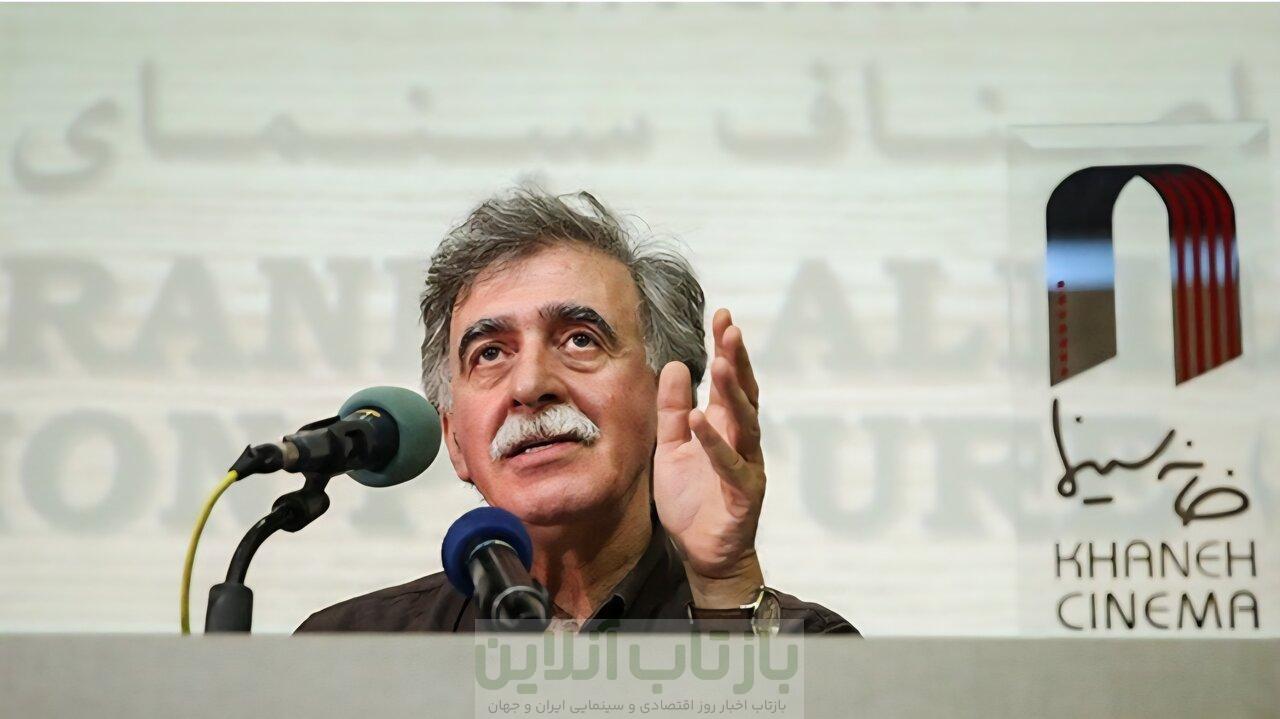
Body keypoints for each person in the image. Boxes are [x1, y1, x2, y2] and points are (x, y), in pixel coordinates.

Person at [296, 188, 855, 634]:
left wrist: (724, 585)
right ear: (455, 439)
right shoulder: (350, 654)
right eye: (490, 353)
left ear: (670, 399)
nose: (530, 385)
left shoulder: (812, 647)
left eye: (580, 340)